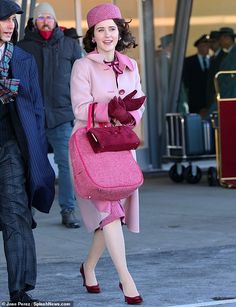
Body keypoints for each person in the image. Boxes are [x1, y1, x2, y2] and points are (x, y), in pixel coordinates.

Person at [70, 3, 145, 305]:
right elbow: (78, 107)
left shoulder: (131, 65)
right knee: (110, 213)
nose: (107, 34)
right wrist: (108, 111)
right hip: (92, 145)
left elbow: (138, 105)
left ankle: (88, 267)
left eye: (112, 28)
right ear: (92, 36)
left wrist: (128, 114)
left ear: (120, 31)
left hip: (121, 146)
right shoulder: (83, 66)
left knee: (114, 214)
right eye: (100, 30)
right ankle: (126, 279)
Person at [0, 0, 55, 303]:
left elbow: (36, 108)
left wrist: (37, 149)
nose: (10, 25)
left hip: (11, 148)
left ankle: (19, 290)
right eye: (4, 20)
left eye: (13, 20)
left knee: (16, 216)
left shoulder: (22, 59)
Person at [17, 2, 82, 228]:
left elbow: (81, 81)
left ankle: (68, 210)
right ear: (34, 21)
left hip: (62, 117)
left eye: (49, 17)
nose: (45, 20)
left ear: (55, 21)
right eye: (41, 17)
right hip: (32, 118)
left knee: (66, 165)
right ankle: (30, 211)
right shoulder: (23, 46)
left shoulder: (70, 46)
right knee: (32, 165)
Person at [183, 34, 211, 116]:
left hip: (210, 103)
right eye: (203, 45)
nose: (206, 48)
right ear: (198, 47)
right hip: (194, 102)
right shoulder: (188, 62)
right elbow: (186, 83)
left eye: (208, 46)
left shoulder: (213, 60)